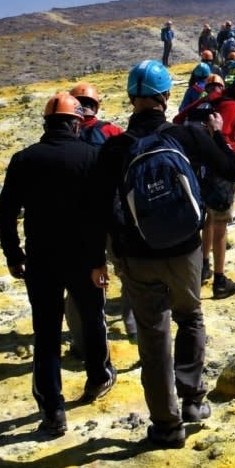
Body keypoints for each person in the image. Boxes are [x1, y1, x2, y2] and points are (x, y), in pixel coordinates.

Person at [88, 60, 235, 448]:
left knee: (154, 337)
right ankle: (192, 400)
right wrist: (220, 137)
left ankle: (166, 426)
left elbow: (97, 209)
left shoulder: (116, 147)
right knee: (190, 316)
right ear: (166, 96)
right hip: (187, 248)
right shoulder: (187, 135)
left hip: (137, 255)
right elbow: (230, 168)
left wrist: (98, 259)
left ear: (131, 98)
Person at [0, 93, 115, 436]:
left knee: (46, 334)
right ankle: (97, 378)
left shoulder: (24, 159)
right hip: (84, 259)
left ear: (46, 124)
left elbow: (5, 215)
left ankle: (53, 410)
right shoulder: (93, 156)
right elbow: (101, 215)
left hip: (41, 261)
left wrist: (14, 255)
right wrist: (98, 261)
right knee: (93, 320)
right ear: (76, 123)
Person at [64, 83, 132, 348]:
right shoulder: (111, 131)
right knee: (126, 271)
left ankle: (83, 339)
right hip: (113, 213)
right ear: (97, 105)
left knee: (82, 279)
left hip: (79, 218)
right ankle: (132, 325)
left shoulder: (67, 135)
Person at [186, 98, 235, 298]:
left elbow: (179, 117)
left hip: (199, 175)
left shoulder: (198, 107)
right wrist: (221, 135)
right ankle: (219, 280)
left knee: (206, 220)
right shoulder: (230, 109)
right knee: (220, 223)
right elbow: (233, 167)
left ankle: (203, 266)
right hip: (220, 178)